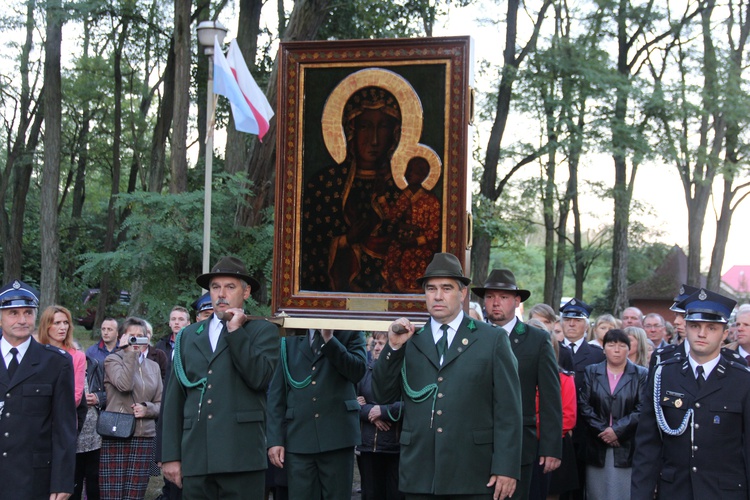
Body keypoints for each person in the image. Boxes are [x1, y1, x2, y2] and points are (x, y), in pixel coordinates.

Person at [373, 253, 523, 499]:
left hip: (473, 473)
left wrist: (506, 467)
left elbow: (509, 410)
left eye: (446, 288)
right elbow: (382, 394)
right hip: (420, 473)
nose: (438, 296)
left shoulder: (491, 339)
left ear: (463, 293)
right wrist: (394, 348)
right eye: (431, 288)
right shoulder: (411, 339)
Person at [162, 256, 280, 499]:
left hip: (241, 457)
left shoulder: (263, 331)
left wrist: (236, 331)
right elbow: (174, 398)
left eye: (230, 287)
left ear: (246, 292)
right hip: (196, 457)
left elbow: (259, 378)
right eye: (215, 287)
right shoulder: (188, 335)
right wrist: (170, 456)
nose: (221, 294)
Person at [631, 288, 750, 499]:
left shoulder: (742, 379)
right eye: (695, 326)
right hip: (675, 490)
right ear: (685, 328)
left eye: (711, 328)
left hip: (725, 492)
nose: (702, 334)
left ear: (724, 334)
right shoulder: (664, 374)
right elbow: (647, 446)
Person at [301, 86, 404, 293]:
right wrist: (346, 240)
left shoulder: (401, 190)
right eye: (365, 127)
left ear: (394, 133)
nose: (374, 140)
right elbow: (309, 249)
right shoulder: (324, 184)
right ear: (350, 130)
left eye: (382, 127)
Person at [472, 269, 562, 500]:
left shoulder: (537, 339)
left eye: (503, 297)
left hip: (519, 443)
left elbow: (551, 396)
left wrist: (551, 447)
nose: (495, 303)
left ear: (517, 301)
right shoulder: (472, 337)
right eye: (490, 297)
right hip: (474, 442)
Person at [266, 325, 367, 499]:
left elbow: (357, 372)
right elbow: (277, 395)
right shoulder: (291, 336)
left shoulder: (350, 331)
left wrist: (330, 339)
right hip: (299, 438)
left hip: (337, 437)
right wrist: (275, 439)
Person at [0, 279, 77, 499]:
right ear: (0, 318)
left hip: (34, 479)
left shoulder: (55, 362)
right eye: (13, 313)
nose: (22, 320)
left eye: (28, 312)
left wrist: (62, 481)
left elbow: (64, 428)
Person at [579, 329, 647, 500]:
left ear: (629, 348)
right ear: (603, 348)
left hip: (627, 445)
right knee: (597, 492)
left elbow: (643, 407)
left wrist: (617, 431)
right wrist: (604, 431)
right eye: (611, 344)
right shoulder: (592, 371)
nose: (616, 349)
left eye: (622, 345)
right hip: (597, 443)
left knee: (623, 492)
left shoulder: (641, 374)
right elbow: (584, 405)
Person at [99, 317, 162, 499]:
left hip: (144, 437)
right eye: (131, 336)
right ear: (122, 337)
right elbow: (124, 385)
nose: (136, 340)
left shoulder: (154, 366)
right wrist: (129, 353)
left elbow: (160, 404)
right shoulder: (113, 360)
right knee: (113, 495)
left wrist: (147, 409)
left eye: (140, 336)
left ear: (147, 339)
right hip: (117, 433)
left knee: (135, 495)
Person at [559, 298, 604, 500]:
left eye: (577, 320)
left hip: (586, 429)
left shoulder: (597, 355)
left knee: (581, 483)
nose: (571, 324)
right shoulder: (551, 348)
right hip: (558, 426)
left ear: (586, 325)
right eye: (567, 319)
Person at [379, 155, 441, 293]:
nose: (408, 174)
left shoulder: (431, 200)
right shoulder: (404, 197)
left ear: (422, 175)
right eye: (408, 169)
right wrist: (382, 198)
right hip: (401, 243)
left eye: (412, 171)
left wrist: (416, 241)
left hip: (420, 248)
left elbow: (434, 231)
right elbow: (392, 217)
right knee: (391, 258)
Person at [356, 331, 404, 500]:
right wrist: (370, 412)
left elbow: (409, 403)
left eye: (381, 344)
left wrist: (383, 412)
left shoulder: (403, 371)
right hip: (369, 447)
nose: (376, 348)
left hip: (395, 448)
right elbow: (352, 402)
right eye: (375, 343)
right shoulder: (365, 370)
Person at [72, 343, 106, 500]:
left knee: (94, 479)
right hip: (73, 435)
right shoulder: (63, 370)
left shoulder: (95, 367)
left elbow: (110, 393)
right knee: (74, 480)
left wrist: (98, 398)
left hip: (94, 435)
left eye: (77, 350)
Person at [37, 305, 87, 407]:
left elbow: (76, 396)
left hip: (64, 415)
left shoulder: (77, 356)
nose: (63, 327)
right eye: (57, 323)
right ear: (46, 326)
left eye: (66, 323)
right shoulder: (34, 353)